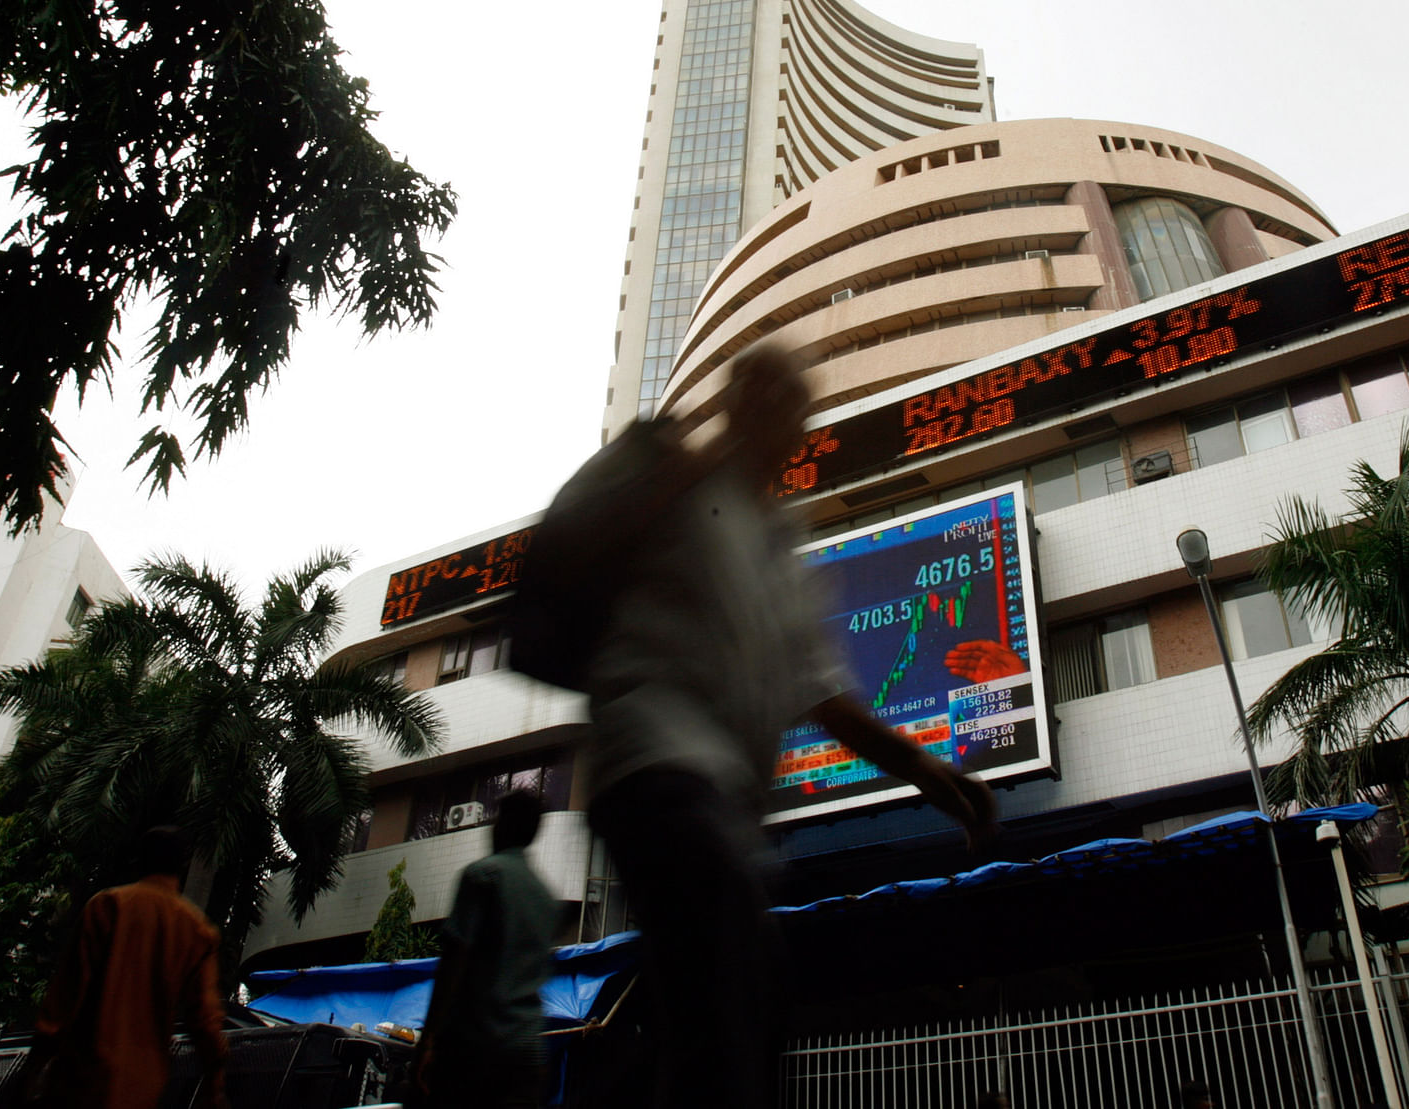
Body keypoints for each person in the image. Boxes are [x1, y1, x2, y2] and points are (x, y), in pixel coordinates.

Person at [578, 343, 1000, 1109]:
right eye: (761, 391)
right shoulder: (672, 479)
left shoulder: (777, 552)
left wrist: (935, 776)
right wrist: (697, 454)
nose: (778, 409)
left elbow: (828, 698)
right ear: (740, 401)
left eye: (790, 400)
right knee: (728, 986)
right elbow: (589, 542)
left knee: (740, 995)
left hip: (717, 808)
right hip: (652, 774)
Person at [21, 827, 228, 1109]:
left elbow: (64, 999)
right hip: (141, 1086)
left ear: (139, 860)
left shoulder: (108, 906)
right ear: (182, 864)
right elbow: (204, 1020)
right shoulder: (197, 930)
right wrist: (214, 1084)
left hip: (79, 1079)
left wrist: (31, 1070)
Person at [415, 789, 560, 1108]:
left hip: (476, 1048)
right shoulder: (546, 898)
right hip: (527, 1051)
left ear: (504, 825)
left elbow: (454, 964)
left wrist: (429, 1041)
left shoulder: (482, 876)